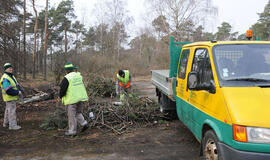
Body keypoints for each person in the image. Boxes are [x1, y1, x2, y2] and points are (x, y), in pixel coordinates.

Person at [59, 62, 89, 136]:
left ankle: (72, 131)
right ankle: (84, 123)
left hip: (71, 99)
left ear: (66, 70)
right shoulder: (78, 76)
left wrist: (60, 96)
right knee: (78, 112)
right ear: (72, 69)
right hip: (80, 98)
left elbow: (62, 90)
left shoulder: (67, 78)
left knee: (71, 115)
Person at [0, 63, 22, 130]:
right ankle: (12, 125)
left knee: (8, 110)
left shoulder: (11, 76)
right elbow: (8, 90)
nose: (11, 69)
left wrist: (19, 89)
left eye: (11, 67)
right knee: (11, 111)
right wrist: (17, 92)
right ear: (5, 69)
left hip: (11, 97)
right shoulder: (5, 78)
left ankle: (6, 123)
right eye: (9, 68)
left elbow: (16, 84)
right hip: (10, 97)